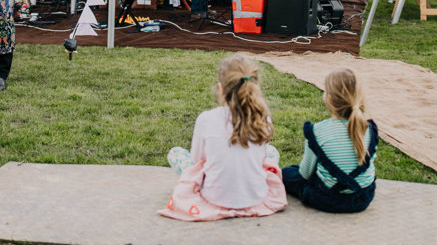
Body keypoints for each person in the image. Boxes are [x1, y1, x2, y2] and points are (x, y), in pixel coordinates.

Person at [158, 53, 287, 221]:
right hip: (256, 198)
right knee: (271, 152)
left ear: (221, 88)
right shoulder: (263, 117)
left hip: (214, 198)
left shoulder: (206, 119)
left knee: (176, 153)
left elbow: (197, 161)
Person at [282, 68, 378, 213]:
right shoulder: (369, 129)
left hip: (327, 199)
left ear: (330, 99)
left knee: (288, 173)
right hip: (363, 198)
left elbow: (305, 173)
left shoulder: (317, 131)